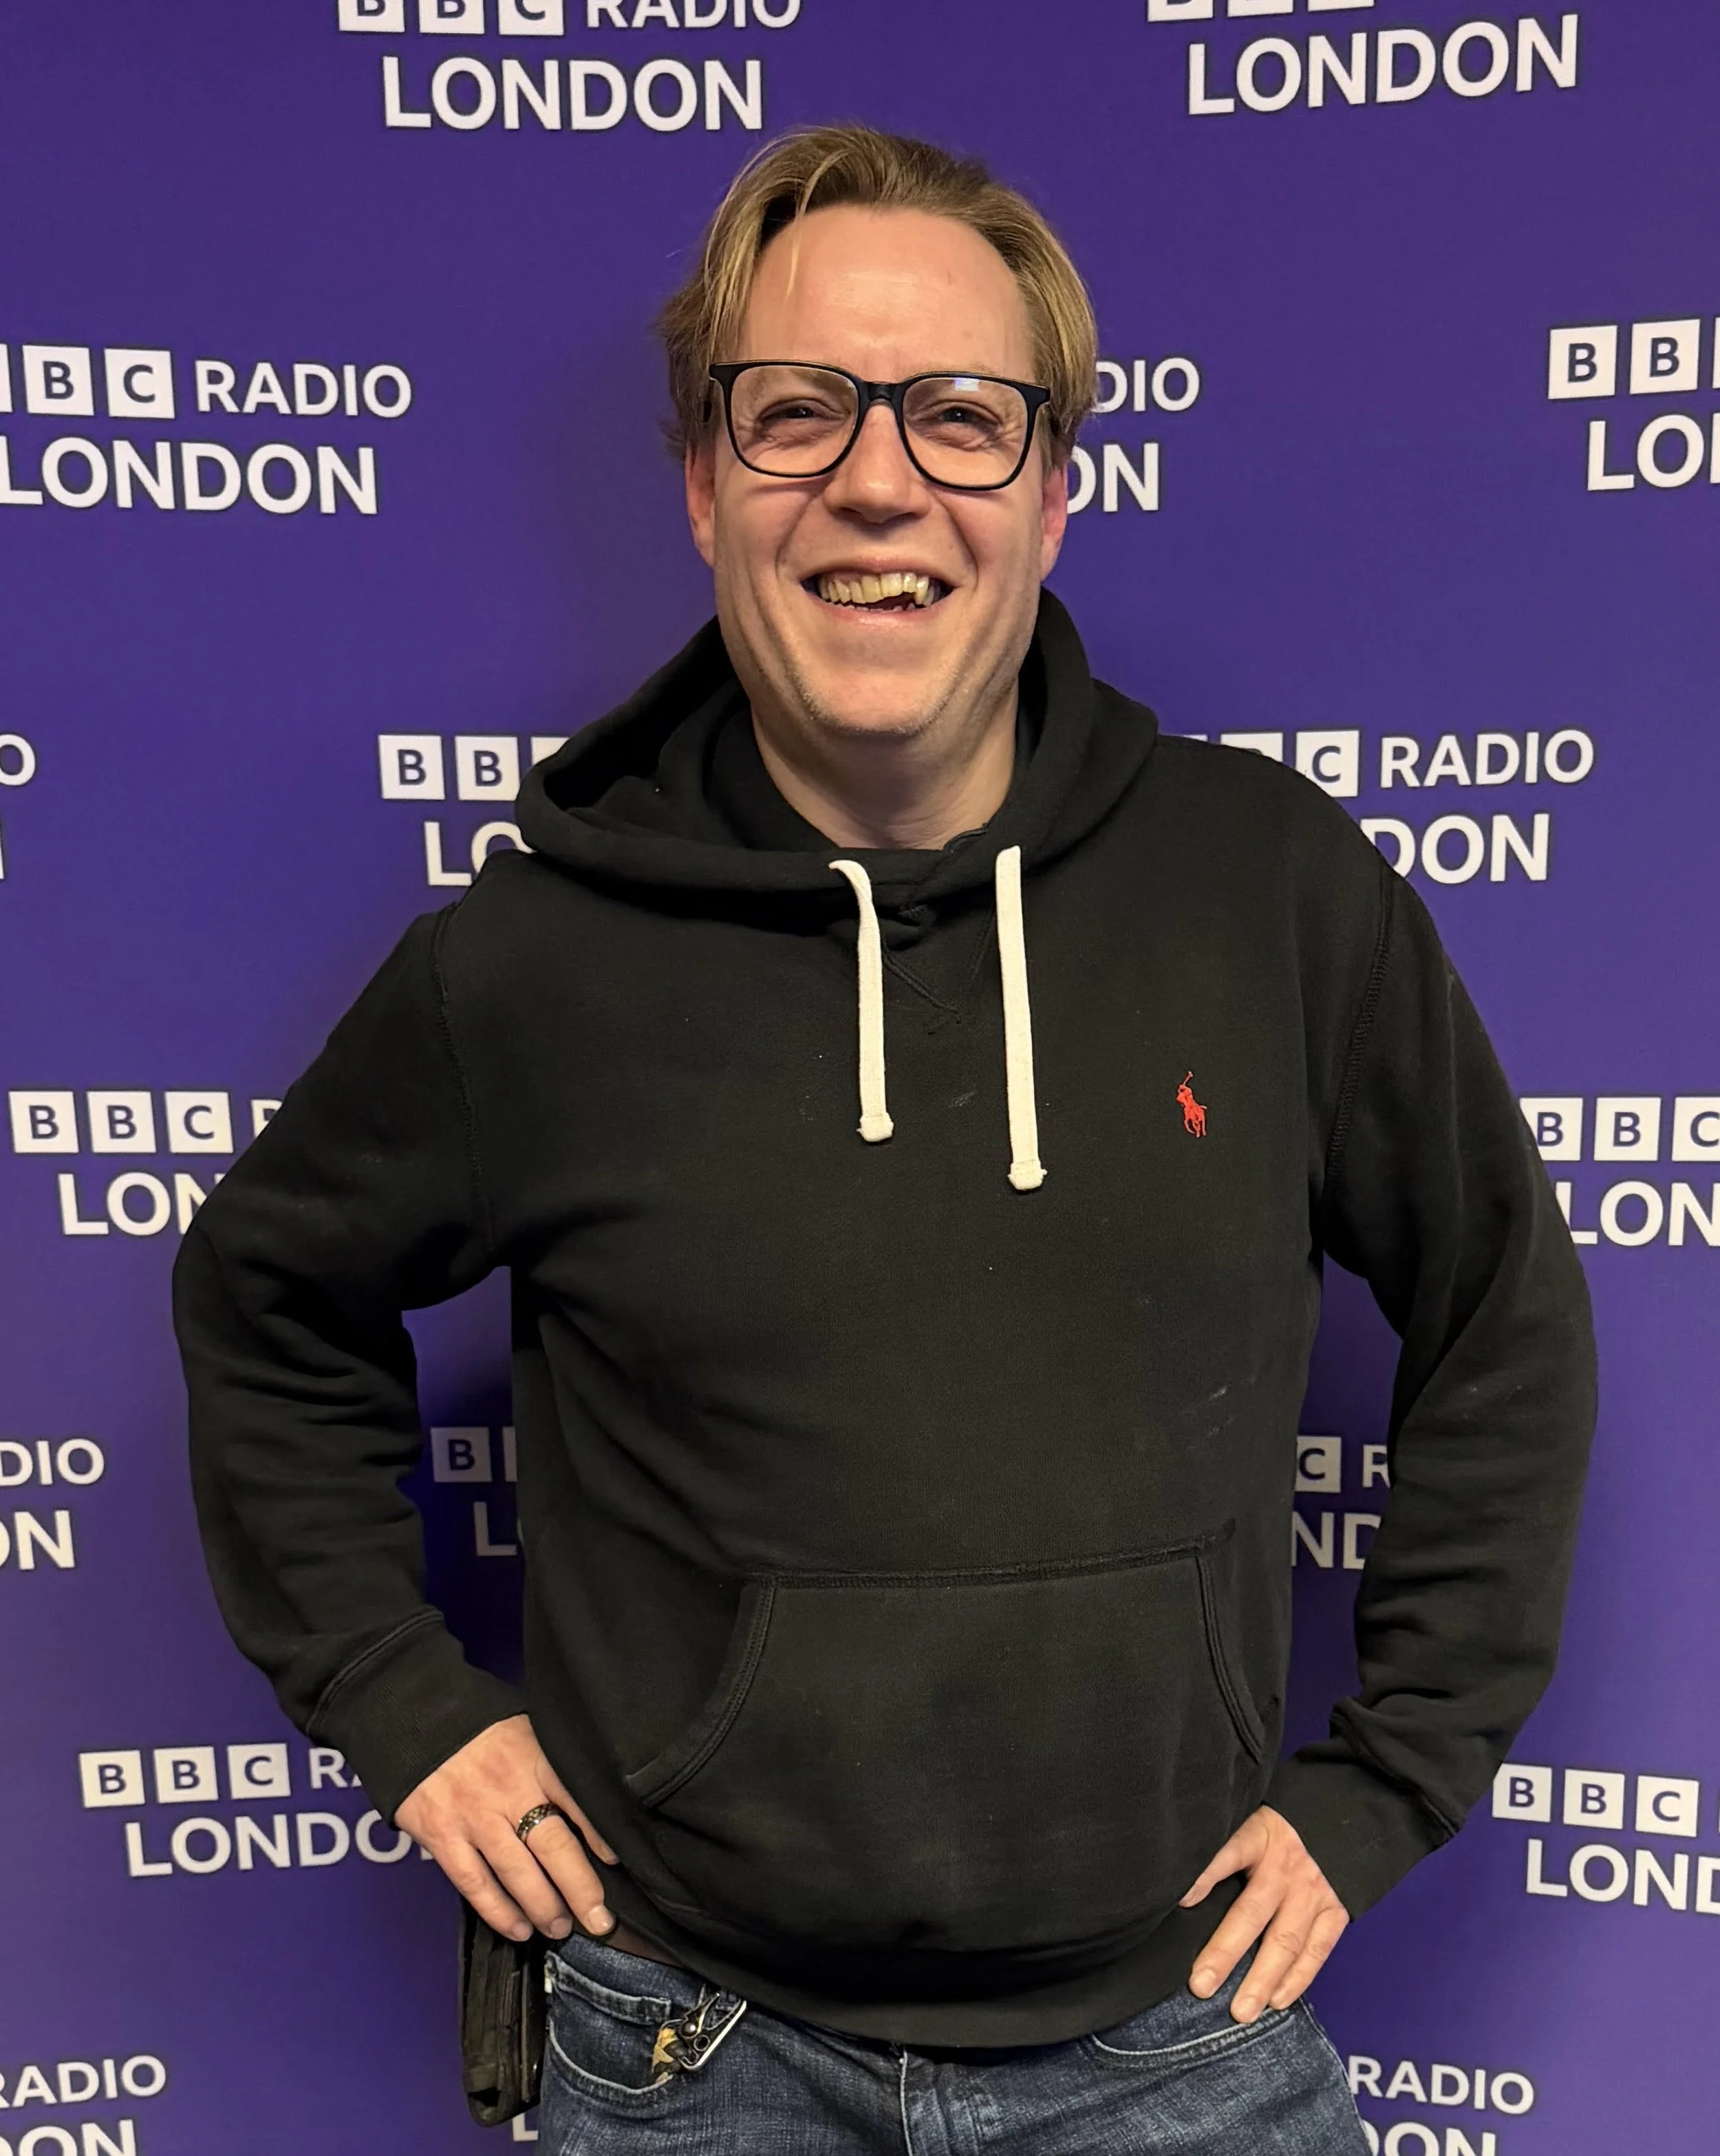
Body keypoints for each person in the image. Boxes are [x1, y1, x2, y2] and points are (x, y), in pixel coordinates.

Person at [173, 125, 1595, 2153]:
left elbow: (1503, 1319)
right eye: (796, 412)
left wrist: (1387, 1780)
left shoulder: (1272, 894)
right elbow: (261, 1304)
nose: (876, 480)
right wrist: (411, 1709)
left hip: (1174, 2038)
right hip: (685, 2052)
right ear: (700, 482)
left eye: (958, 416)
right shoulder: (535, 961)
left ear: (1051, 491)